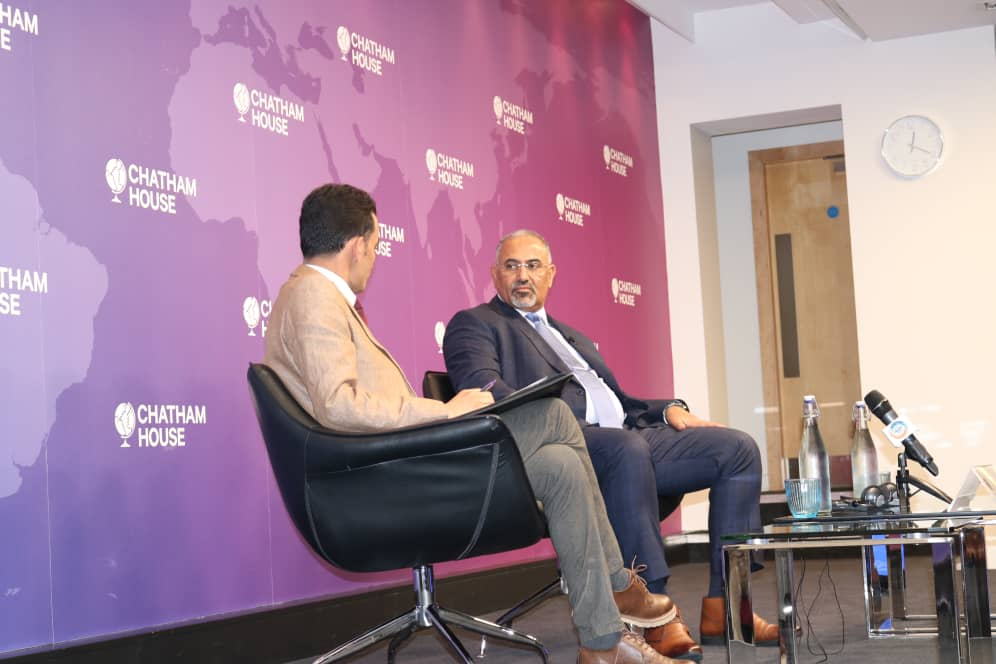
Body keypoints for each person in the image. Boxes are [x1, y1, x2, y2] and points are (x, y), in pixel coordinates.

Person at [263, 184, 682, 664]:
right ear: (357, 245)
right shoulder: (314, 297)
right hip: (382, 476)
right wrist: (446, 410)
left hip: (393, 461)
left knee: (562, 467)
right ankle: (618, 581)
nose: (375, 259)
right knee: (553, 414)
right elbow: (339, 406)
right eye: (376, 246)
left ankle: (602, 645)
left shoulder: (316, 296)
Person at [443, 229, 779, 657]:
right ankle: (654, 610)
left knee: (738, 450)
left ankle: (731, 606)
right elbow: (482, 388)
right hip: (561, 444)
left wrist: (667, 410)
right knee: (626, 450)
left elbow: (619, 402)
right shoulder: (476, 324)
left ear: (551, 274)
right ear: (495, 275)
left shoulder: (571, 336)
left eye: (533, 265)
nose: (522, 275)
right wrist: (553, 417)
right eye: (511, 266)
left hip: (626, 436)